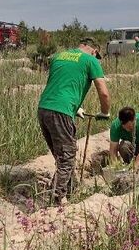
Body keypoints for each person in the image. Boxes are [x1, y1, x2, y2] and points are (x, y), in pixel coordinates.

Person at [37, 37, 110, 203]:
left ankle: (68, 193)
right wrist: (105, 112)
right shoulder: (91, 60)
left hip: (44, 108)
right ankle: (55, 200)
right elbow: (103, 92)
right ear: (94, 51)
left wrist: (76, 108)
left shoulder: (59, 56)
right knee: (67, 157)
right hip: (61, 111)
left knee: (61, 156)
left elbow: (60, 83)